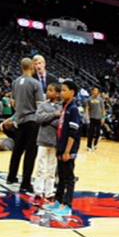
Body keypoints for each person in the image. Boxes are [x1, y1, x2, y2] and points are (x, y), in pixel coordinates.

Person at [6, 58, 44, 193]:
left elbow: (13, 103)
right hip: (32, 120)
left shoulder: (16, 82)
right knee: (30, 152)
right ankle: (26, 183)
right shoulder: (35, 83)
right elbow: (40, 105)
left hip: (20, 120)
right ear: (32, 67)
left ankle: (11, 177)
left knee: (17, 150)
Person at [50, 80, 81, 217]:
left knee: (69, 177)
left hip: (69, 149)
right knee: (61, 176)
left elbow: (73, 133)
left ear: (72, 92)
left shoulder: (73, 109)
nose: (61, 93)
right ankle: (58, 200)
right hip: (61, 147)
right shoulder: (65, 107)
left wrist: (68, 151)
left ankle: (67, 205)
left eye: (64, 90)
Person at [31, 82, 62, 202]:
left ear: (58, 93)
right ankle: (38, 191)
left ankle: (49, 192)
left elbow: (60, 123)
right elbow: (38, 119)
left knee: (51, 169)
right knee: (40, 168)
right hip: (43, 140)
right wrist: (54, 115)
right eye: (48, 90)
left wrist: (47, 120)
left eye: (51, 90)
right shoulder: (43, 105)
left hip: (55, 142)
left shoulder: (61, 107)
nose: (48, 92)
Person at [86, 87, 105, 152]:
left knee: (98, 133)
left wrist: (103, 118)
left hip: (99, 118)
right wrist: (87, 117)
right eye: (94, 90)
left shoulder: (101, 100)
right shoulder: (89, 99)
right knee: (90, 133)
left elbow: (103, 110)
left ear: (98, 92)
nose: (95, 92)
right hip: (92, 118)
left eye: (96, 90)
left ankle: (95, 144)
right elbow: (87, 109)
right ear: (92, 91)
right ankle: (89, 146)